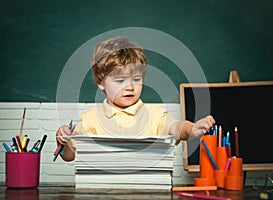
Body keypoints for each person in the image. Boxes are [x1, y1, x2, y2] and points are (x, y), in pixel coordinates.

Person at [56, 37, 215, 162]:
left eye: (136, 79)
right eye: (120, 81)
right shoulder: (90, 119)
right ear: (100, 83)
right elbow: (70, 156)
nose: (130, 87)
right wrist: (65, 140)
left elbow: (176, 127)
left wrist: (191, 129)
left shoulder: (156, 115)